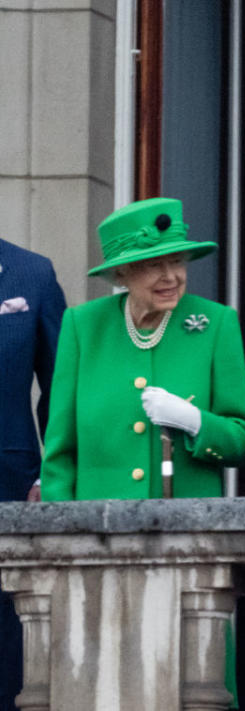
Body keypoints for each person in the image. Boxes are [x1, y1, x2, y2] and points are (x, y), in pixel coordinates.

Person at [40, 197, 245, 707]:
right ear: (122, 273)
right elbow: (60, 456)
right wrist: (64, 544)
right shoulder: (82, 328)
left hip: (189, 548)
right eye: (153, 265)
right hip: (98, 551)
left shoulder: (215, 324)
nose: (171, 276)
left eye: (178, 261)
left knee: (192, 686)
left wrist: (194, 422)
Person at [0, 238, 66, 710]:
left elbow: (62, 388)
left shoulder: (32, 272)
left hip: (12, 489)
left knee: (11, 655)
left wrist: (52, 476)